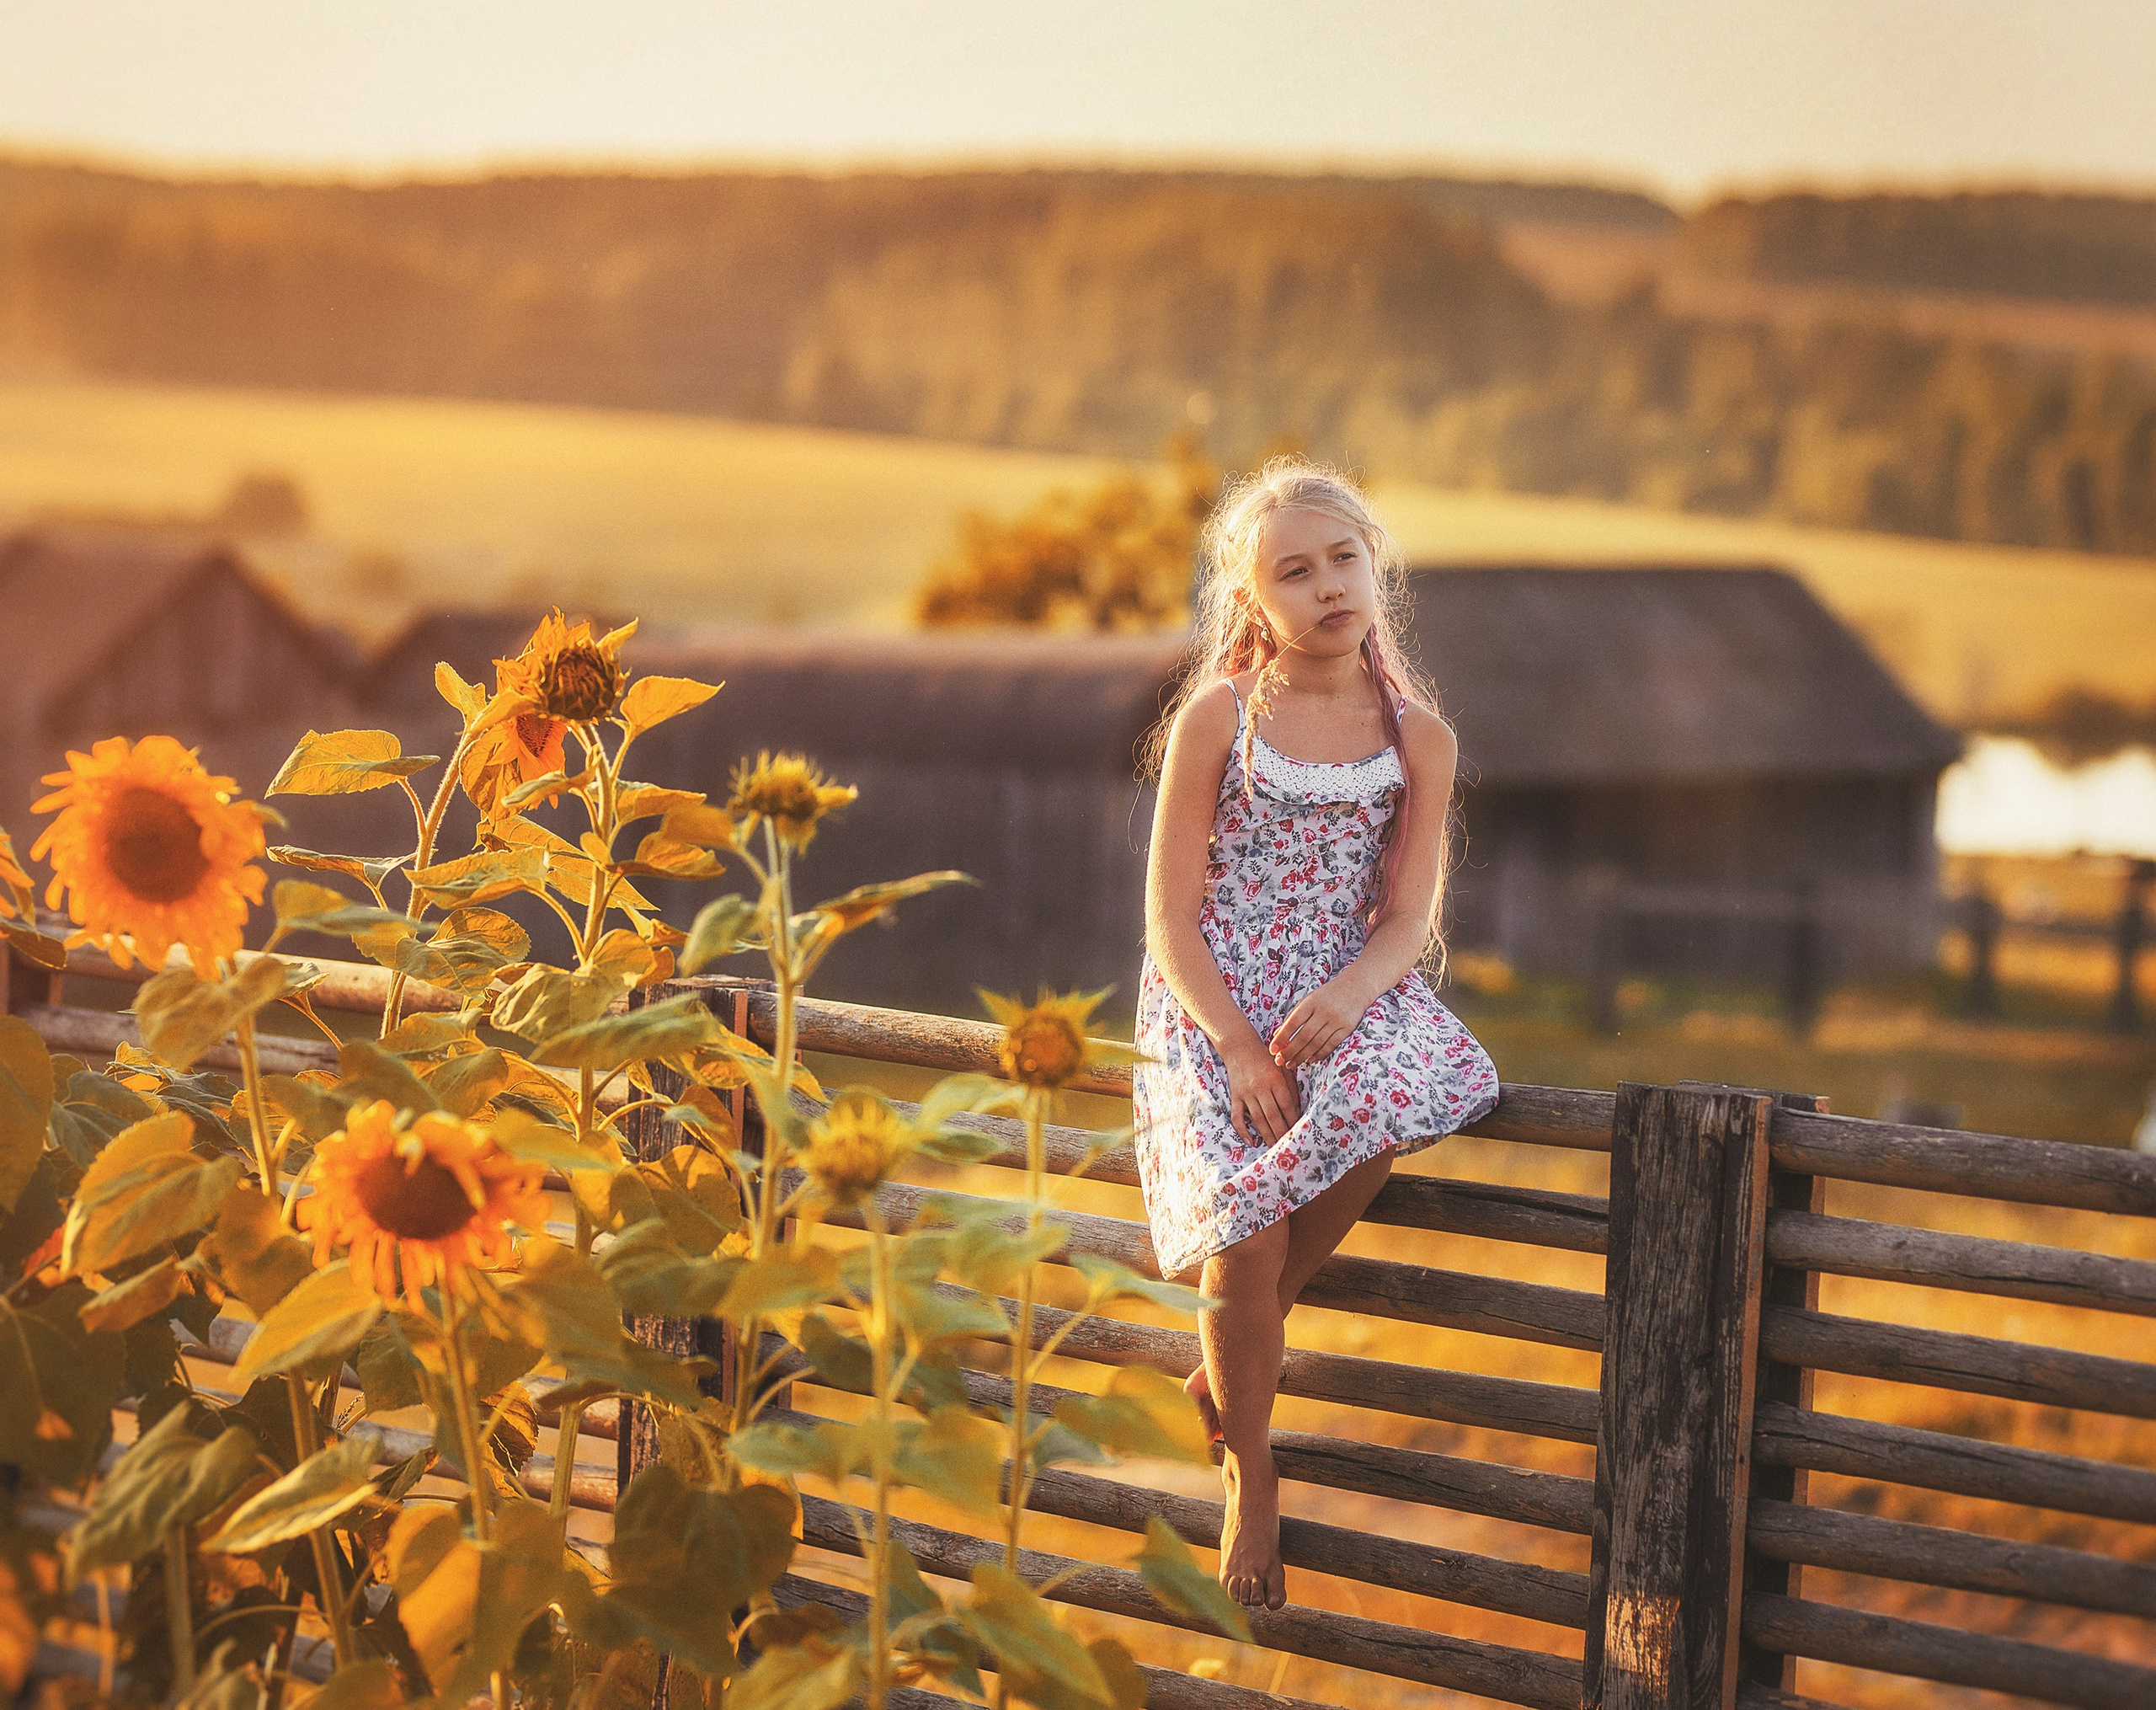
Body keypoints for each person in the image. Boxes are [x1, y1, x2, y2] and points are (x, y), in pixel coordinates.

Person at [1132, 457, 1500, 1611]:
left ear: (1375, 571)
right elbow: (1167, 918)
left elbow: (1408, 918)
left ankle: (1231, 1365)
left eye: (1345, 559)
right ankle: (1253, 1464)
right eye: (1294, 571)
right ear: (1252, 598)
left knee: (1389, 1098)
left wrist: (1351, 994)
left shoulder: (1419, 739)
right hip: (1215, 995)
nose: (1328, 585)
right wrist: (1238, 1046)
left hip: (1342, 987)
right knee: (1244, 1232)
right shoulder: (1219, 719)